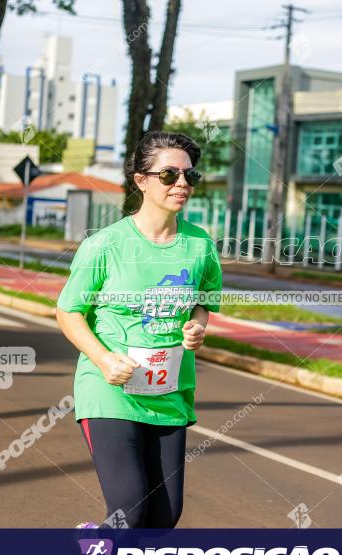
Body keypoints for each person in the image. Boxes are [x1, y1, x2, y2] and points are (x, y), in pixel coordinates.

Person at [56, 131, 222, 529]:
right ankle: (103, 552)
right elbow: (68, 311)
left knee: (164, 517)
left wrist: (197, 329)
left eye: (189, 176)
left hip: (168, 392)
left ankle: (99, 549)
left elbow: (203, 304)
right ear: (141, 180)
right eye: (169, 175)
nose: (182, 184)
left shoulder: (200, 246)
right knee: (130, 508)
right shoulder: (107, 245)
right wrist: (103, 359)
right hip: (111, 389)